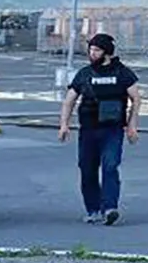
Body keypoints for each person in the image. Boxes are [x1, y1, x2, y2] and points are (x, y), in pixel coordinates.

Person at [59, 33, 141, 226]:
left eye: (96, 50)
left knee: (110, 166)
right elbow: (69, 100)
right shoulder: (85, 74)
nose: (92, 53)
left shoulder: (123, 73)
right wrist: (64, 125)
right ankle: (93, 209)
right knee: (87, 169)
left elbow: (136, 99)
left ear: (107, 53)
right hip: (88, 130)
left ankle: (110, 208)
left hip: (112, 130)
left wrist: (132, 126)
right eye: (91, 50)